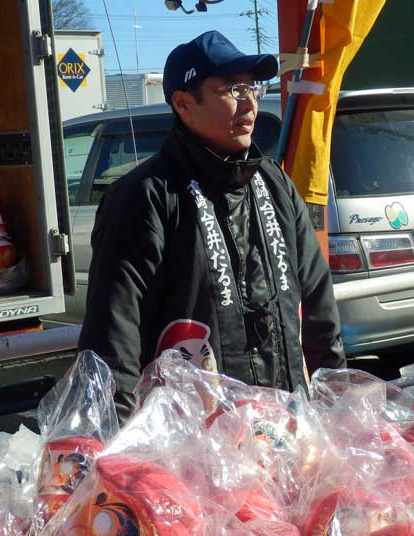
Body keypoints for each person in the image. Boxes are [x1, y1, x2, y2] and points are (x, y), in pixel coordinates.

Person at [78, 30, 345, 417]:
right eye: (231, 89)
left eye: (252, 87)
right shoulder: (145, 195)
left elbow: (320, 307)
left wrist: (336, 408)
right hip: (191, 445)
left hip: (285, 429)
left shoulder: (274, 182)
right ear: (183, 103)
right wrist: (115, 447)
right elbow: (113, 335)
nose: (249, 102)